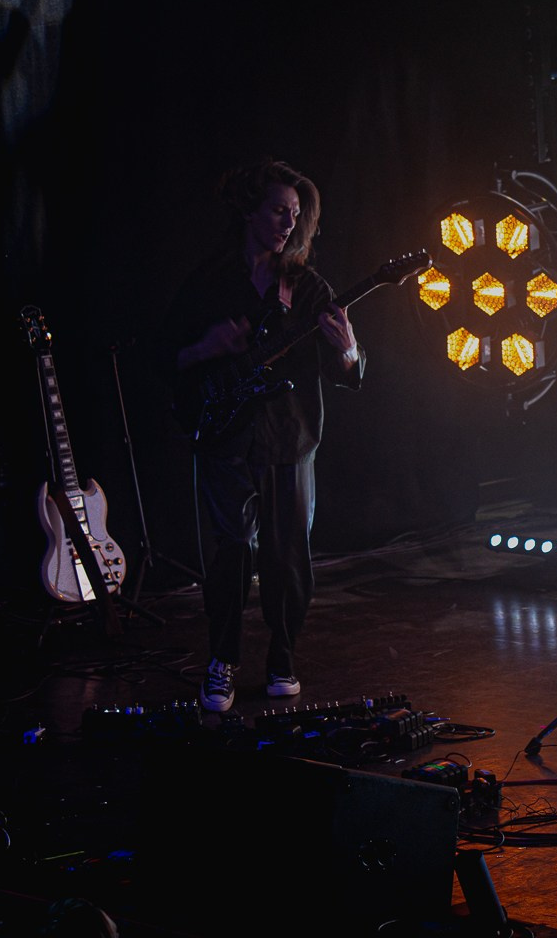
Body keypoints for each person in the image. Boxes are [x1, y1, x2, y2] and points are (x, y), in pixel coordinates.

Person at [156, 159, 363, 712]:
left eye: (295, 214)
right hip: (225, 437)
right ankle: (222, 661)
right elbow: (164, 357)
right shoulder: (210, 283)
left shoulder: (307, 287)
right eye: (277, 211)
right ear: (249, 212)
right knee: (229, 556)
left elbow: (347, 370)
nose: (288, 224)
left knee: (289, 557)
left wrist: (347, 347)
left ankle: (282, 657)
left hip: (290, 440)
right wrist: (207, 348)